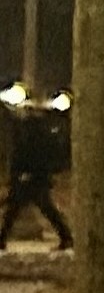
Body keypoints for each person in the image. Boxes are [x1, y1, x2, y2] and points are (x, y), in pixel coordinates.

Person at [1, 100, 73, 251]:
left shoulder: (29, 131)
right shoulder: (38, 130)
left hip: (29, 177)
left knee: (15, 210)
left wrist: (21, 173)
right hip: (35, 177)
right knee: (44, 209)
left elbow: (25, 154)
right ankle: (66, 237)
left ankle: (66, 237)